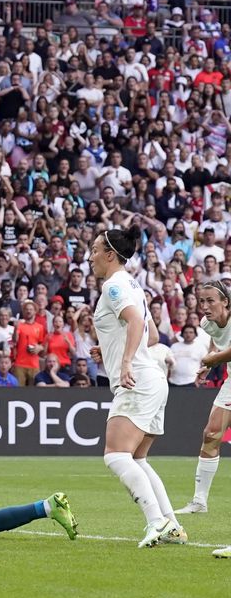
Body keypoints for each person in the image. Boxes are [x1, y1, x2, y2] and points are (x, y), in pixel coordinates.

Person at [88, 227, 186, 547]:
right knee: (139, 459)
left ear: (110, 255)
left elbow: (135, 323)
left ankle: (155, 521)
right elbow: (152, 336)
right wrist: (111, 349)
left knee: (116, 456)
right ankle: (171, 524)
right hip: (154, 379)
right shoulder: (133, 285)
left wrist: (125, 361)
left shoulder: (114, 286)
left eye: (94, 250)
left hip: (138, 379)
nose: (90, 257)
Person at [176, 281, 231, 516]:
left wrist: (214, 359)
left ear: (225, 302)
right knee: (211, 434)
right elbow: (217, 341)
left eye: (211, 301)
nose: (205, 306)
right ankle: (199, 502)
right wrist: (209, 362)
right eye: (202, 301)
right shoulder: (206, 323)